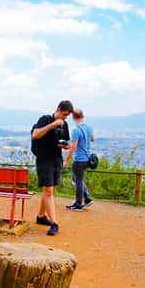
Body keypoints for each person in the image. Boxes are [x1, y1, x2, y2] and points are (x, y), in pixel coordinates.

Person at [31, 100, 73, 236]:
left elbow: (66, 141)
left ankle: (41, 216)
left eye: (67, 116)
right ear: (59, 110)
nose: (65, 118)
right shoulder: (45, 119)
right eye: (64, 114)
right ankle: (54, 223)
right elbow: (35, 135)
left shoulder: (65, 124)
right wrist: (53, 125)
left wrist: (65, 146)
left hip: (56, 159)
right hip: (44, 159)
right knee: (48, 191)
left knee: (49, 190)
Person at [64, 108, 95, 211]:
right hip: (87, 159)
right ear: (83, 116)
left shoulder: (76, 130)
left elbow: (73, 147)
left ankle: (78, 204)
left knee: (78, 181)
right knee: (76, 178)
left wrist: (66, 160)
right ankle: (87, 198)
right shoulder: (89, 127)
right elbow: (92, 139)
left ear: (73, 118)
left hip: (79, 160)